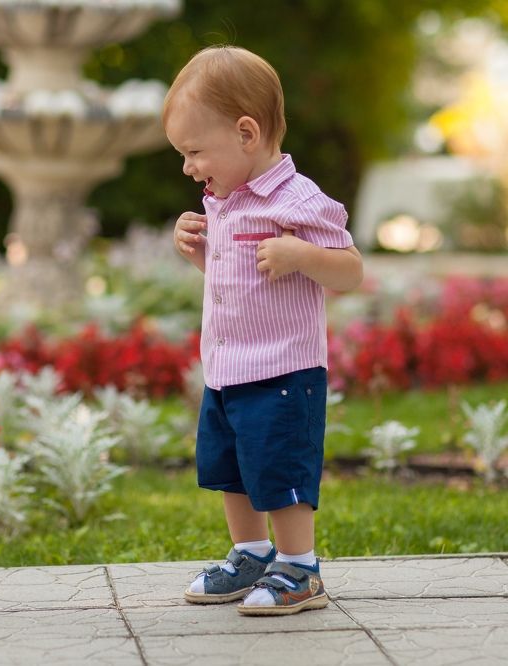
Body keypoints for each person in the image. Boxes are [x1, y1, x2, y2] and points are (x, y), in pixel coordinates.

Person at [164, 45, 363, 615]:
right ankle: (251, 554)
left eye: (194, 151)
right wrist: (200, 254)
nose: (188, 167)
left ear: (246, 133)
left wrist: (302, 255)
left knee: (279, 469)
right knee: (233, 468)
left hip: (283, 370)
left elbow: (350, 271)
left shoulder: (298, 200)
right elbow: (238, 279)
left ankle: (300, 568)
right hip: (228, 367)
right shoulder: (224, 200)